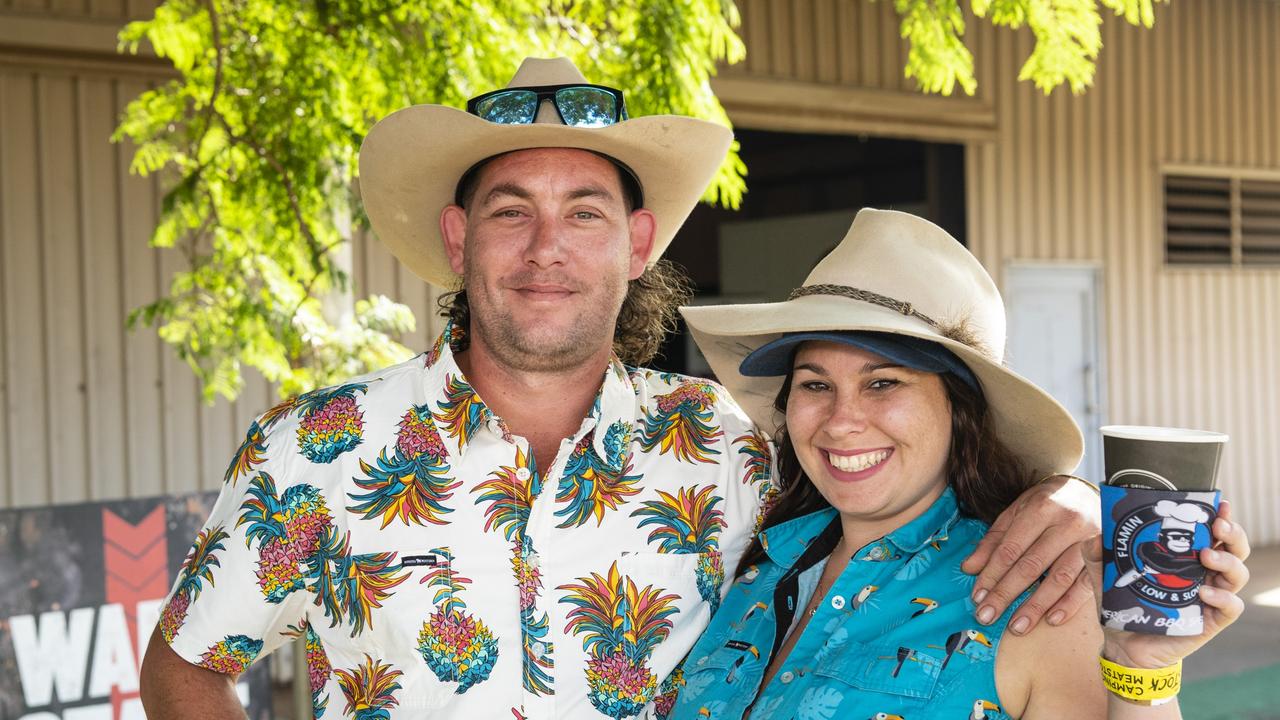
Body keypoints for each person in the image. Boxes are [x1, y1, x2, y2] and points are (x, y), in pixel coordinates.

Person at [139, 59, 1103, 720]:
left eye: (585, 213)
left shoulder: (720, 443)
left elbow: (891, 486)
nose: (547, 248)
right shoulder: (315, 443)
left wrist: (1072, 498)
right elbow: (186, 662)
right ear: (456, 240)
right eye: (509, 210)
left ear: (638, 247)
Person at [671, 208, 1251, 719]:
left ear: (961, 412)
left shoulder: (1041, 599)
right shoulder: (750, 562)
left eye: (883, 383)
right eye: (815, 384)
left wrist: (1140, 669)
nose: (841, 420)